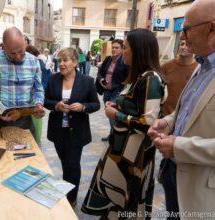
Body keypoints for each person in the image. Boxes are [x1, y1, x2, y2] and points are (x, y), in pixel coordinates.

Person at [82, 29, 167, 219]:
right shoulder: (138, 76)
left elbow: (149, 124)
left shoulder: (151, 79)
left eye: (126, 48)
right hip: (123, 153)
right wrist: (118, 105)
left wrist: (117, 114)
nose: (122, 52)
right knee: (118, 203)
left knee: (127, 204)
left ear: (138, 50)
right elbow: (133, 106)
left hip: (134, 157)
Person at [148, 0, 215, 216]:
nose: (183, 36)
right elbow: (189, 109)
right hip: (173, 171)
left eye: (186, 29)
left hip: (201, 189)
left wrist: (179, 147)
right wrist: (167, 122)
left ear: (211, 28)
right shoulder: (203, 65)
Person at [44, 47, 100, 207]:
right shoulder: (54, 79)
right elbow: (46, 100)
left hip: (77, 132)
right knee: (65, 163)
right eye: (59, 60)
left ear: (75, 62)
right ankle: (67, 189)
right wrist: (56, 105)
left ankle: (71, 198)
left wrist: (83, 107)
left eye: (65, 60)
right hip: (58, 131)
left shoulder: (87, 81)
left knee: (72, 165)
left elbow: (96, 104)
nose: (61, 64)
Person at [158, 39, 198, 219]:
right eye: (181, 42)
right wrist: (164, 120)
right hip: (170, 128)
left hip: (191, 137)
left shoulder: (199, 68)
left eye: (187, 42)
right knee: (169, 180)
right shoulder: (166, 67)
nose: (184, 45)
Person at [0, 27, 45, 138]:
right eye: (13, 53)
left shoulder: (34, 61)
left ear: (25, 43)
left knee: (30, 154)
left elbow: (37, 89)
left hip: (25, 119)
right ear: (4, 47)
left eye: (21, 52)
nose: (18, 56)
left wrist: (38, 105)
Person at [95, 39, 129, 141]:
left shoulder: (124, 61)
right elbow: (100, 72)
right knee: (109, 114)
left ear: (122, 49)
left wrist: (121, 87)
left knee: (113, 113)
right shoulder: (108, 59)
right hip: (106, 90)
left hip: (117, 91)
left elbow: (127, 77)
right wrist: (101, 80)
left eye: (117, 47)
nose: (114, 49)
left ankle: (115, 135)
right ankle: (112, 133)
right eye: (113, 47)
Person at [25, 45, 48, 144]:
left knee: (35, 120)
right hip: (38, 98)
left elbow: (41, 83)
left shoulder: (37, 63)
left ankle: (36, 141)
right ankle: (37, 141)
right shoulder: (40, 62)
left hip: (34, 99)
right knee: (37, 122)